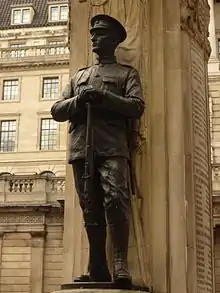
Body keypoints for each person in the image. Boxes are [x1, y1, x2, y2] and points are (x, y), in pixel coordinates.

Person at [51, 14, 145, 288]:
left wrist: (105, 98)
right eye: (93, 34)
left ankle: (120, 263)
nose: (94, 38)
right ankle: (96, 266)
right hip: (82, 148)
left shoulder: (126, 74)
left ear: (114, 40)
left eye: (101, 34)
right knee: (90, 208)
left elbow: (137, 106)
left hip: (113, 147)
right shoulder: (79, 77)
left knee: (116, 201)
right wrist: (80, 100)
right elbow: (57, 110)